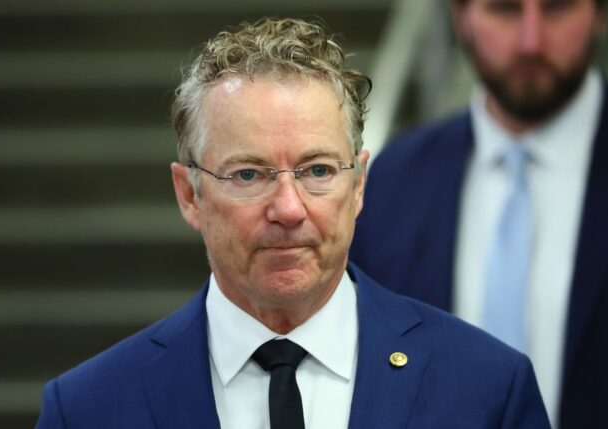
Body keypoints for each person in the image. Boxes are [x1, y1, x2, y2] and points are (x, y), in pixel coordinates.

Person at [35, 17, 550, 429]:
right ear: (190, 194)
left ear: (360, 186)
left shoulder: (487, 389)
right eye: (249, 173)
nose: (288, 208)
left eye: (318, 170)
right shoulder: (87, 409)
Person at [351, 0, 608, 428]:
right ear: (461, 17)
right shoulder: (395, 180)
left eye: (557, 8)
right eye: (505, 9)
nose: (531, 40)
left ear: (601, 14)